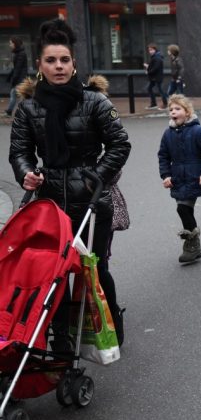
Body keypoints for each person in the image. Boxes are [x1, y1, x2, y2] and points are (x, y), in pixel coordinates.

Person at [9, 18, 131, 346]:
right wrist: (26, 173)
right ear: (40, 65)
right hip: (47, 203)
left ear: (73, 63)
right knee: (54, 271)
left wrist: (98, 175)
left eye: (64, 60)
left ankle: (111, 326)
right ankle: (61, 335)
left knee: (95, 268)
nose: (58, 66)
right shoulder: (28, 107)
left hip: (91, 199)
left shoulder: (94, 101)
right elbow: (19, 151)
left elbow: (120, 143)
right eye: (51, 60)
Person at [158, 94, 201, 263]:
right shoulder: (168, 134)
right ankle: (194, 246)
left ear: (188, 112)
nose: (173, 112)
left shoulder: (198, 131)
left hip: (194, 177)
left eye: (177, 109)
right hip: (177, 178)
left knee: (182, 209)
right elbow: (163, 156)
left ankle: (192, 244)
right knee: (186, 209)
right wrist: (166, 175)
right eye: (171, 110)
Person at [5, 37, 28, 116]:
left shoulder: (21, 54)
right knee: (16, 95)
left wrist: (14, 80)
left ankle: (15, 112)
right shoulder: (17, 53)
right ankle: (11, 111)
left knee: (17, 95)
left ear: (15, 44)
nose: (10, 45)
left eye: (11, 43)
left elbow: (18, 69)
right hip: (19, 78)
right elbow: (14, 68)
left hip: (20, 78)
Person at [144, 43, 168, 109]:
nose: (150, 52)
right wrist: (148, 67)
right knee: (150, 89)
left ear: (155, 49)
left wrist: (148, 71)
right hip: (155, 77)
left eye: (151, 50)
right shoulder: (156, 57)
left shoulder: (157, 57)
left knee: (159, 90)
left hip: (156, 77)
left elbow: (155, 68)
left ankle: (164, 104)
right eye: (149, 50)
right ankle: (154, 103)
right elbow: (154, 67)